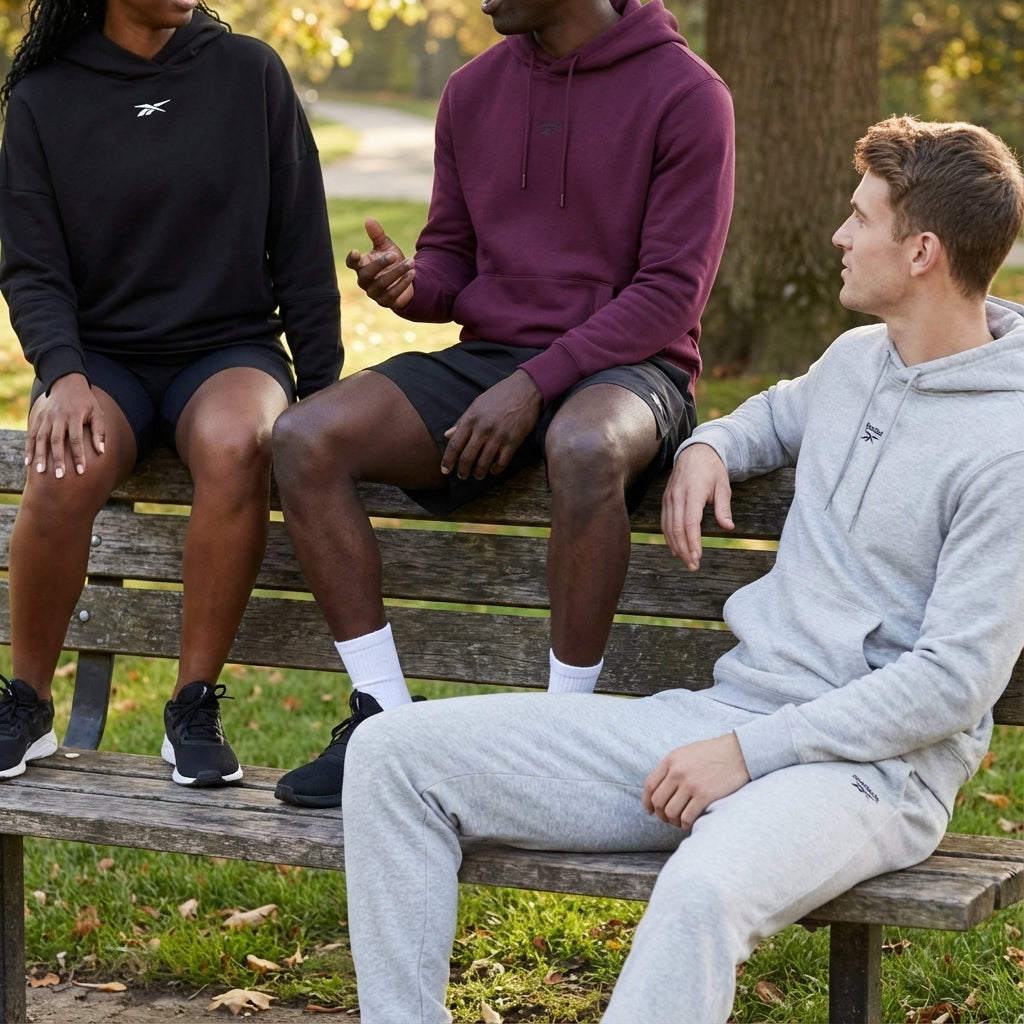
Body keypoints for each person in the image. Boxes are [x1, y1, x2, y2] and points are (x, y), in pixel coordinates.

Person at [339, 116, 1024, 1023]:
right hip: (720, 722)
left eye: (861, 218)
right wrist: (706, 446)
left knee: (701, 893)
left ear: (924, 251)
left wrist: (748, 754)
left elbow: (951, 683)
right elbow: (766, 419)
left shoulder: (1007, 447)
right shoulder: (858, 360)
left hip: (870, 775)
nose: (839, 236)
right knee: (393, 757)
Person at [271, 0, 735, 808]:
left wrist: (535, 384)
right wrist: (414, 287)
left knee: (585, 447)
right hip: (493, 361)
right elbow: (453, 254)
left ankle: (561, 738)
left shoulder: (687, 94)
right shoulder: (471, 90)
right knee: (306, 437)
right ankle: (381, 716)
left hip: (633, 367)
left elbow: (669, 294)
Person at [0, 0, 341, 785]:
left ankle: (191, 705)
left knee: (238, 442)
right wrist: (62, 372)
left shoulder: (249, 71)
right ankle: (25, 702)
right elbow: (33, 266)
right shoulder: (44, 98)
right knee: (62, 463)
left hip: (227, 350)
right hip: (101, 360)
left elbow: (301, 241)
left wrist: (321, 391)